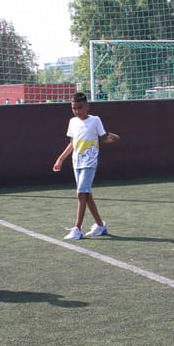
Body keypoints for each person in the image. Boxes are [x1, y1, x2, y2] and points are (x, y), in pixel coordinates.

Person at [52, 92, 119, 240]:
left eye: (80, 107)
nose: (77, 111)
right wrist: (60, 159)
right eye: (74, 108)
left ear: (87, 106)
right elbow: (72, 144)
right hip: (77, 163)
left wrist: (114, 140)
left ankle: (77, 229)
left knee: (81, 193)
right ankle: (100, 226)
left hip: (89, 163)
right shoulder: (72, 122)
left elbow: (104, 138)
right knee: (86, 195)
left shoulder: (95, 120)